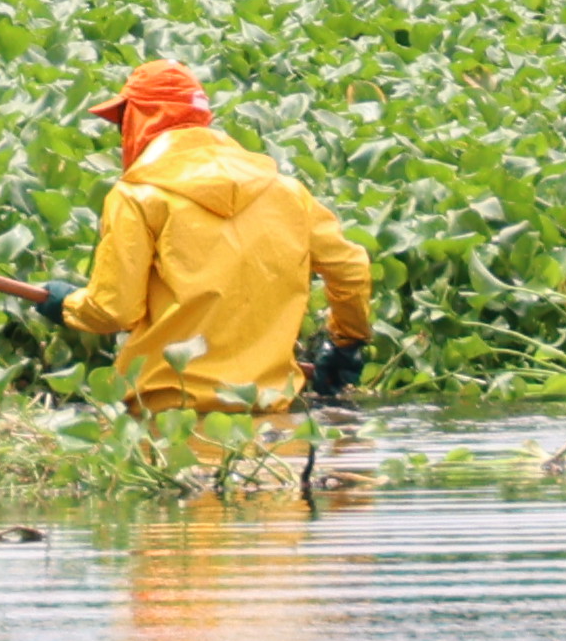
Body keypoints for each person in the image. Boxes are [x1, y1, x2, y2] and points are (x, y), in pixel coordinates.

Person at [41, 59, 376, 419]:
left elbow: (114, 310)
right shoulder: (287, 192)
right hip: (269, 414)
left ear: (139, 119)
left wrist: (67, 305)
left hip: (167, 415)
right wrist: (346, 344)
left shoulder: (138, 197)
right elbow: (351, 269)